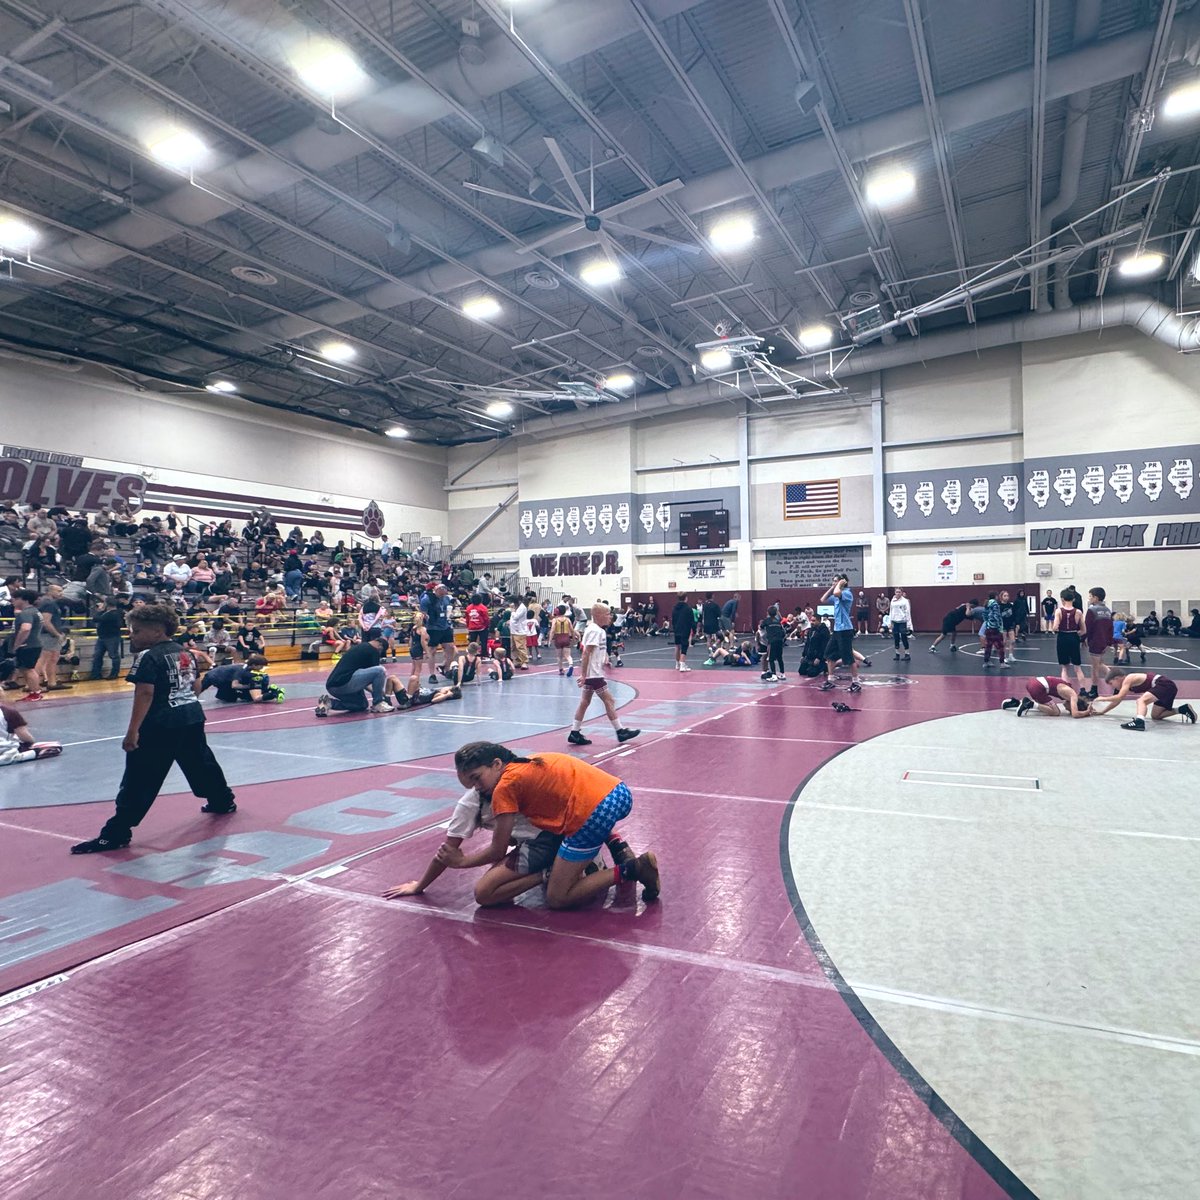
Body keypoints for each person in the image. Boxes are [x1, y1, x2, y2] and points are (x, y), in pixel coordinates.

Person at [70, 604, 236, 854]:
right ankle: (223, 800)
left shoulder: (149, 656)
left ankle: (117, 832)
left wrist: (133, 731)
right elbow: (196, 684)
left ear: (157, 632)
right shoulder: (187, 653)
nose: (132, 636)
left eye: (137, 631)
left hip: (161, 723)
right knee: (199, 761)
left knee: (140, 776)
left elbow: (145, 692)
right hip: (190, 716)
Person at [447, 742, 660, 908]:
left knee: (558, 897)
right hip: (617, 792)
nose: (478, 789)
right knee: (572, 815)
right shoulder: (528, 761)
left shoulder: (504, 788)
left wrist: (461, 861)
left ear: (496, 764)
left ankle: (633, 869)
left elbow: (498, 850)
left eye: (477, 779)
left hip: (593, 812)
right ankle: (617, 845)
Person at [382, 786, 621, 907]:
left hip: (548, 840)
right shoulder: (503, 787)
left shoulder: (475, 801)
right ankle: (602, 846)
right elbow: (448, 852)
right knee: (505, 861)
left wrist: (458, 864)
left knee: (485, 893)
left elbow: (451, 854)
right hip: (569, 832)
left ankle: (551, 872)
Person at [567, 604, 640, 747]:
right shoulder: (595, 631)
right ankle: (620, 731)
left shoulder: (595, 630)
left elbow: (593, 651)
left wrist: (604, 657)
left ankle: (574, 732)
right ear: (598, 615)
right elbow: (586, 652)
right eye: (607, 614)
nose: (610, 616)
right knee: (609, 700)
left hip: (593, 672)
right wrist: (583, 675)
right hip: (594, 674)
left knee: (585, 702)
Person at [315, 629, 404, 716]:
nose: (379, 654)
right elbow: (374, 677)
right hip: (345, 683)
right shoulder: (373, 651)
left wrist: (377, 691)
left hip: (333, 686)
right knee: (380, 670)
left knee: (361, 705)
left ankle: (329, 703)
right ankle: (378, 704)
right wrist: (380, 695)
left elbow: (365, 681)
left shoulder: (360, 647)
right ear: (380, 646)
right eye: (381, 651)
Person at [1092, 670, 1196, 730]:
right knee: (1156, 715)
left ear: (1117, 678)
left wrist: (1103, 698)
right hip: (1167, 687)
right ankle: (1182, 709)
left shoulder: (1128, 678)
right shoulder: (1127, 685)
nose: (1112, 687)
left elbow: (1118, 697)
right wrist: (1102, 712)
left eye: (1111, 683)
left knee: (1141, 701)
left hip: (1163, 684)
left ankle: (1139, 722)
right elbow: (1118, 700)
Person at [819, 575, 860, 693]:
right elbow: (823, 599)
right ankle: (830, 680)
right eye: (833, 581)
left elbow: (837, 592)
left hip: (845, 629)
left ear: (842, 582)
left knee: (848, 657)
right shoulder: (836, 594)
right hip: (837, 630)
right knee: (829, 655)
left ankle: (856, 682)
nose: (834, 583)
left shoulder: (847, 593)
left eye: (836, 581)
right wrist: (832, 587)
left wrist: (839, 585)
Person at [0, 699, 63, 765]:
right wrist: (31, 743)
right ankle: (14, 757)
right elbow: (24, 736)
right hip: (6, 748)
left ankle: (10, 757)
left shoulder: (7, 711)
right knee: (56, 746)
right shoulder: (8, 711)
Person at [1002, 675, 1094, 718]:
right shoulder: (1072, 695)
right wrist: (1087, 712)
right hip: (1037, 687)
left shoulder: (1068, 689)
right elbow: (1075, 714)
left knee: (1045, 706)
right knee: (1056, 712)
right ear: (1075, 704)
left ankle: (1016, 703)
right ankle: (1029, 704)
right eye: (1069, 709)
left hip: (1033, 682)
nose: (1067, 710)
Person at [8, 589, 44, 700]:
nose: (12, 600)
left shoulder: (26, 613)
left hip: (27, 645)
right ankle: (34, 692)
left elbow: (25, 629)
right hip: (33, 643)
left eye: (16, 599)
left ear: (24, 600)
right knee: (26, 669)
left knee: (29, 669)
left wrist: (17, 644)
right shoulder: (35, 611)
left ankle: (36, 693)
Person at [199, 654, 281, 703]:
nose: (262, 668)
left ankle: (223, 695)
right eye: (261, 666)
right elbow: (234, 685)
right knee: (199, 690)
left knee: (230, 698)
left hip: (222, 677)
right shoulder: (241, 670)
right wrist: (250, 686)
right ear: (254, 665)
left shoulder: (247, 668)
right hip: (215, 677)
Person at [35, 584, 72, 693]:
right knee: (43, 659)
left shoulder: (49, 603)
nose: (61, 593)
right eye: (58, 591)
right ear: (50, 591)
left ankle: (52, 682)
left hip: (49, 635)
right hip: (48, 635)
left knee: (53, 659)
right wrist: (57, 634)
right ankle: (34, 685)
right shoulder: (49, 603)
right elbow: (46, 622)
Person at [1051, 587, 1087, 689]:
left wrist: (1057, 630)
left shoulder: (1059, 611)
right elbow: (1084, 630)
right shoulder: (1078, 612)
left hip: (1062, 637)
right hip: (1073, 637)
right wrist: (1076, 634)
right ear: (1073, 599)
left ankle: (1066, 690)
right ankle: (1083, 689)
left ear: (1062, 599)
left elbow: (1054, 627)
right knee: (1078, 667)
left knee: (1064, 668)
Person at [420, 582, 456, 681]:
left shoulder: (446, 598)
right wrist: (426, 618)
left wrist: (451, 615)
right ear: (436, 590)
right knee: (432, 650)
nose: (443, 594)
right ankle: (432, 674)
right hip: (433, 627)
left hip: (445, 626)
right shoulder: (427, 599)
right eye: (441, 592)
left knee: (450, 648)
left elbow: (448, 609)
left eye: (444, 592)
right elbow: (423, 612)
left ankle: (446, 668)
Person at [1082, 586, 1114, 698]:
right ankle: (1117, 682)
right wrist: (1109, 642)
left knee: (1094, 667)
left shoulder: (1092, 610)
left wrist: (1083, 639)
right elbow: (1111, 628)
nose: (1089, 598)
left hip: (1095, 641)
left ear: (1095, 598)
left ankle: (1094, 690)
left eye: (1090, 596)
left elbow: (1087, 627)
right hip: (1104, 641)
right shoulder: (1108, 611)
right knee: (1100, 664)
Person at [90, 598, 124, 680]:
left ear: (107, 604)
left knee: (113, 655)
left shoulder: (114, 613)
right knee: (97, 656)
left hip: (111, 637)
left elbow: (96, 619)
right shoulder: (109, 612)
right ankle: (96, 674)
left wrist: (99, 610)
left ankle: (114, 674)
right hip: (103, 637)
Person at [980, 594, 1009, 669]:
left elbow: (984, 615)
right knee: (1000, 646)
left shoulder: (986, 604)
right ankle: (1002, 663)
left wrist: (987, 623)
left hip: (988, 627)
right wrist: (999, 626)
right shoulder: (995, 604)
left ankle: (986, 662)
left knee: (988, 645)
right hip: (995, 628)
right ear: (995, 596)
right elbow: (997, 615)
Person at [759, 605, 785, 681]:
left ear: (767, 613)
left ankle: (774, 675)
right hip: (780, 641)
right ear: (776, 613)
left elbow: (761, 627)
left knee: (771, 659)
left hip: (772, 641)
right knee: (780, 658)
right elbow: (783, 632)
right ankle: (782, 674)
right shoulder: (778, 621)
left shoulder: (766, 620)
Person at [671, 593, 696, 672]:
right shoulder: (688, 608)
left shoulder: (674, 608)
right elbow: (692, 620)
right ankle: (682, 664)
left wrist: (674, 628)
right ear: (686, 598)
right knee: (684, 646)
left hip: (677, 629)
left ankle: (677, 664)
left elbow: (673, 619)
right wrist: (694, 630)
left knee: (677, 646)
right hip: (685, 629)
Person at [549, 603, 575, 676]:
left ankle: (561, 670)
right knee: (568, 655)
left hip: (558, 638)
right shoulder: (567, 619)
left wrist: (550, 640)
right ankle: (571, 664)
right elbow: (572, 630)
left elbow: (553, 630)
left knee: (559, 656)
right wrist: (573, 638)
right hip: (566, 637)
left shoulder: (555, 620)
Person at [889, 587, 912, 661]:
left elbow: (908, 612)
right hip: (895, 622)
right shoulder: (893, 600)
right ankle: (897, 654)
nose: (897, 593)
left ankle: (907, 654)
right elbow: (891, 611)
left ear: (902, 593)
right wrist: (890, 622)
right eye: (896, 592)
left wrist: (909, 624)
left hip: (902, 622)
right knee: (896, 638)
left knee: (904, 637)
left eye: (899, 592)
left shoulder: (905, 601)